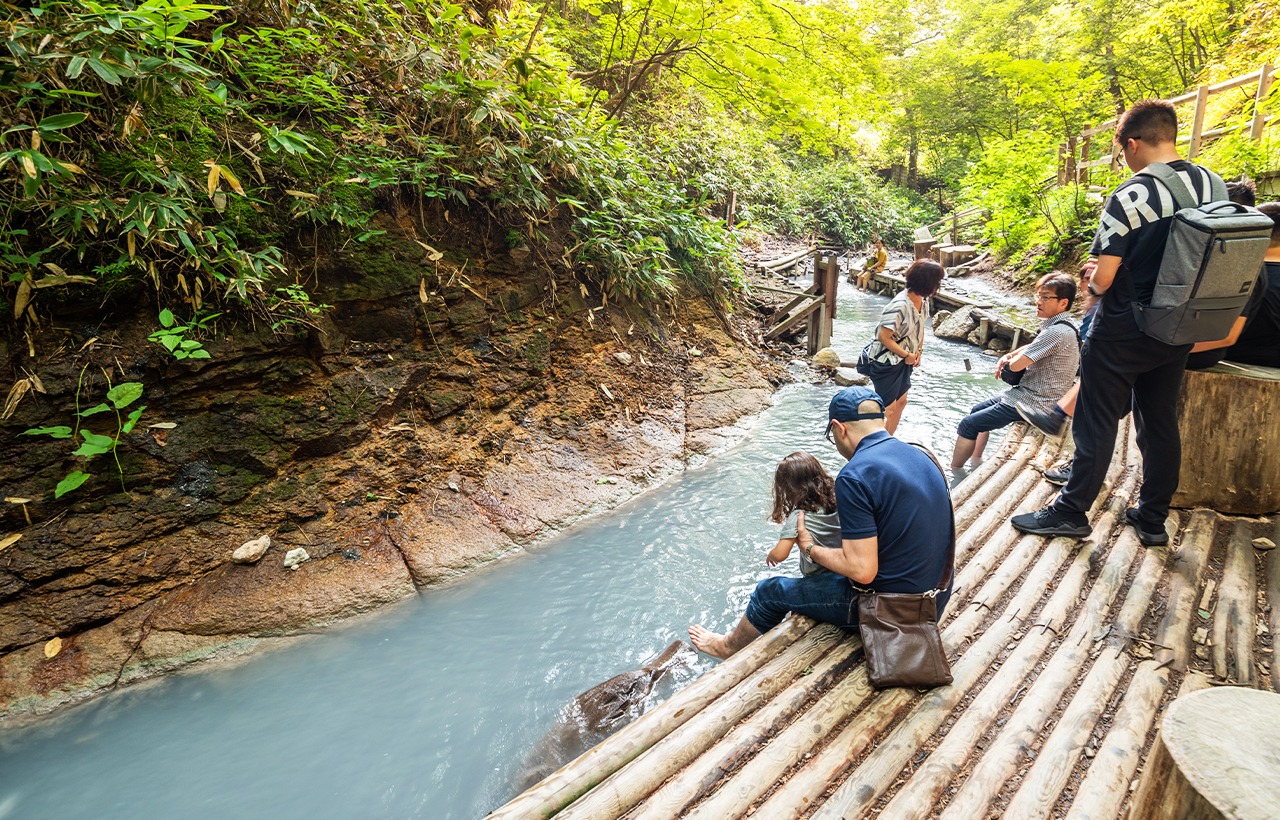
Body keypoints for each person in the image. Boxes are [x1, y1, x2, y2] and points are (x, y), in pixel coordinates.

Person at [1012, 99, 1226, 547]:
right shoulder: (1213, 184)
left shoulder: (1131, 194)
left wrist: (1093, 279)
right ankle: (1152, 518)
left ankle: (1071, 512)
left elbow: (1105, 278)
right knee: (1159, 421)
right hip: (1181, 324)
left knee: (1096, 420)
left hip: (1125, 327)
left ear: (1132, 143)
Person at [688, 386, 953, 659]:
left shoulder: (855, 475)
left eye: (831, 435)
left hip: (894, 613)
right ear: (882, 421)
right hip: (936, 597)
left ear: (839, 428)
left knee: (769, 591)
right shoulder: (922, 455)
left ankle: (726, 647)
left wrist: (809, 549)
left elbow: (862, 571)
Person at [951, 273, 1080, 475]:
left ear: (1063, 302)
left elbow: (1017, 366)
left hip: (1036, 403)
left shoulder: (1056, 332)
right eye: (1039, 296)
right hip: (1037, 394)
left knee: (968, 424)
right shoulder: (1065, 326)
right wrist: (1010, 354)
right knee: (976, 410)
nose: (1038, 302)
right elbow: (1035, 345)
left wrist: (1009, 362)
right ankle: (975, 460)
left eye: (1046, 297)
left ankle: (955, 472)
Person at [856, 259, 945, 434]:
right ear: (926, 283)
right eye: (936, 282)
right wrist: (907, 355)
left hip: (904, 360)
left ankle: (889, 439)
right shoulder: (900, 305)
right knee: (887, 409)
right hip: (886, 361)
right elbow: (883, 337)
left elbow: (920, 328)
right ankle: (877, 444)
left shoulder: (923, 301)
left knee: (901, 402)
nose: (938, 286)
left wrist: (918, 352)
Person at [764, 452, 837, 576]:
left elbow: (780, 554)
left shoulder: (798, 517)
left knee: (767, 586)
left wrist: (771, 555)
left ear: (788, 489)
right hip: (843, 570)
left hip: (818, 579)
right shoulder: (836, 504)